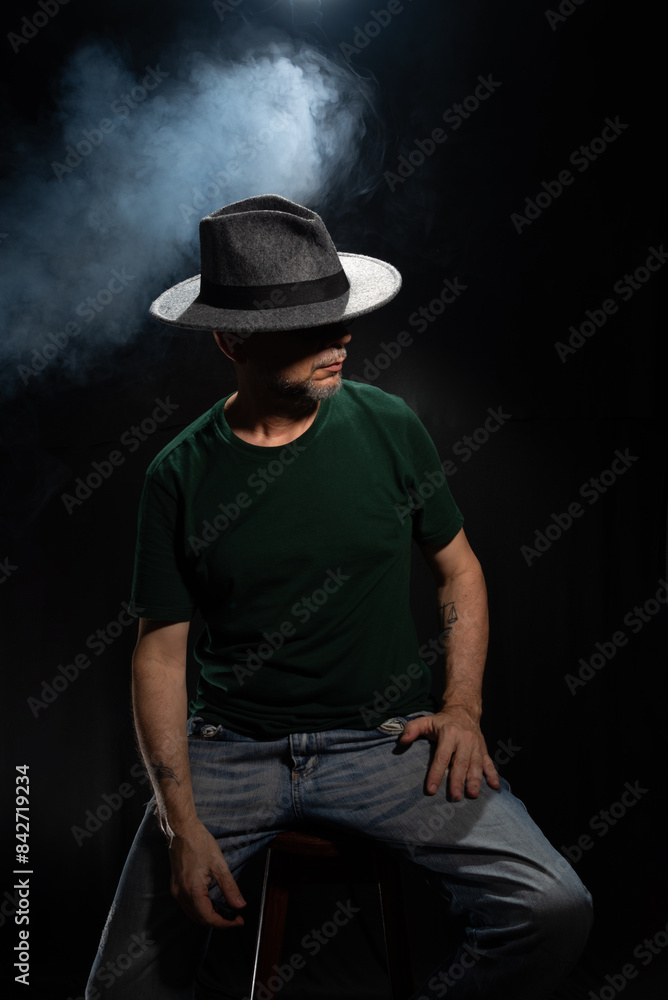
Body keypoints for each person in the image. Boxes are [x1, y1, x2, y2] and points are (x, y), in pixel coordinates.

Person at [86, 195, 592, 1000]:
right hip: (230, 750)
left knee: (553, 906)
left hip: (382, 747)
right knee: (118, 988)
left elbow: (459, 567)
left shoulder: (390, 426)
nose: (342, 338)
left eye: (340, 316)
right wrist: (182, 823)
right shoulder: (177, 475)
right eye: (310, 325)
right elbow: (159, 649)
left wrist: (462, 706)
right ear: (231, 340)